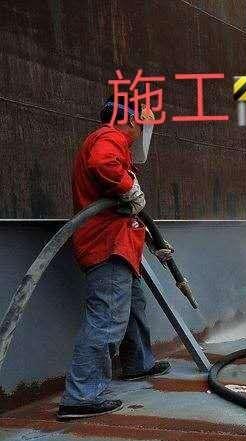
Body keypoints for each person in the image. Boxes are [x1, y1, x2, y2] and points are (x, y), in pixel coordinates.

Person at [57, 100, 171, 420]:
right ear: (129, 121)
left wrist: (154, 244)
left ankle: (138, 363)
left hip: (121, 245)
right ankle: (81, 396)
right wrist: (128, 185)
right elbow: (102, 164)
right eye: (140, 126)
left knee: (133, 307)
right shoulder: (109, 137)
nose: (140, 134)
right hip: (107, 247)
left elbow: (123, 212)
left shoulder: (112, 143)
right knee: (107, 318)